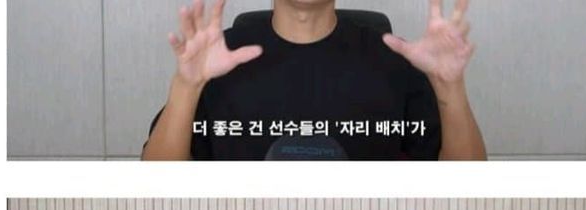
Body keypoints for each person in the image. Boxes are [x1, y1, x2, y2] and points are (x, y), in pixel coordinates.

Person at [143, 0, 486, 162]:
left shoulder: (397, 62)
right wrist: (187, 85)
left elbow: (469, 184)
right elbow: (154, 182)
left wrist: (449, 85)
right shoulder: (219, 59)